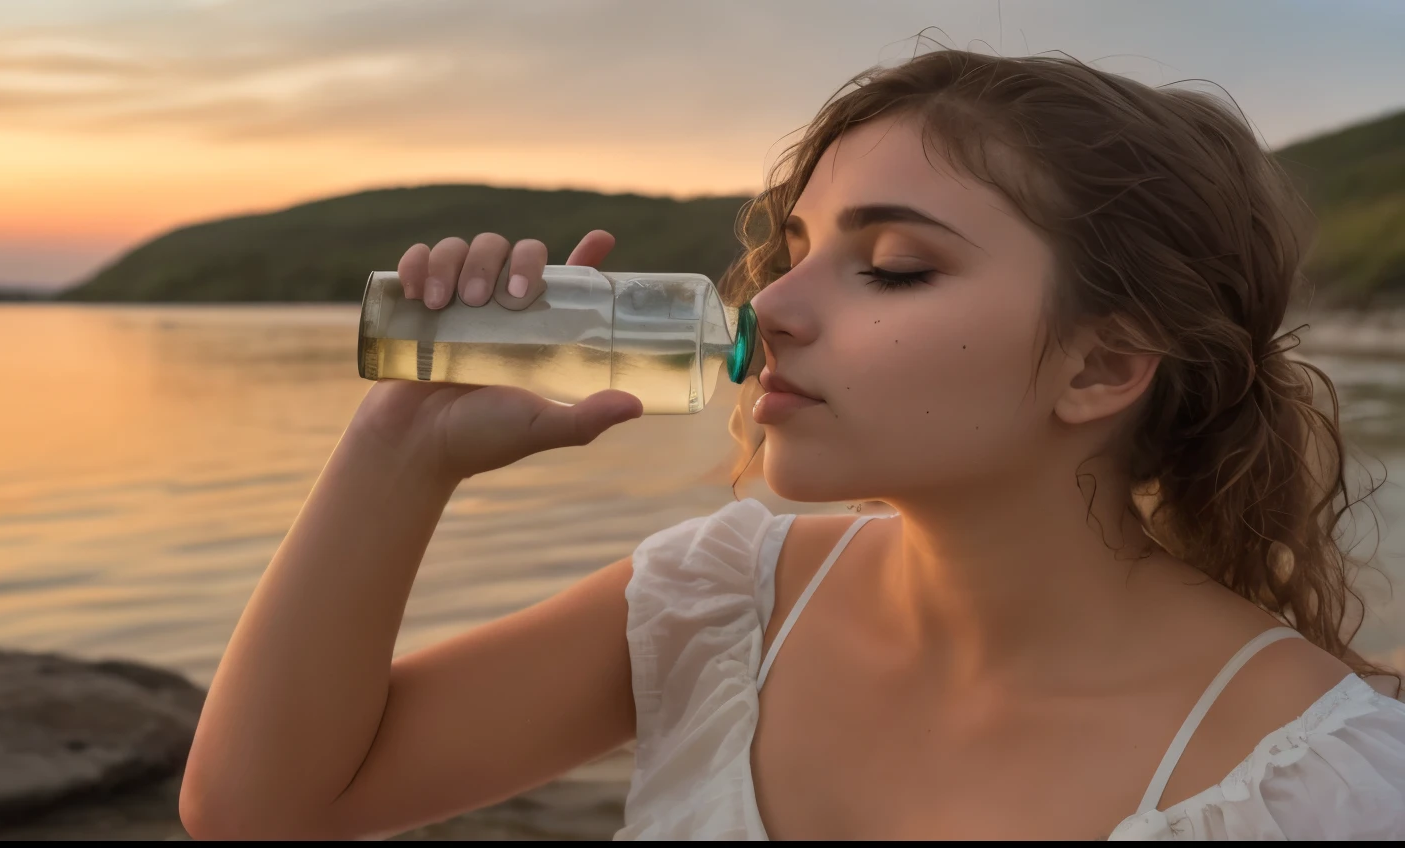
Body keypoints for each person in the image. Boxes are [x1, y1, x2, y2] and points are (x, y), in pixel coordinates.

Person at [179, 49, 1405, 840]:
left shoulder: (1320, 785)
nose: (770, 308)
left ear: (1101, 367)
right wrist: (401, 449)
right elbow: (261, 810)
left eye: (892, 267)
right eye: (795, 251)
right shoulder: (725, 602)